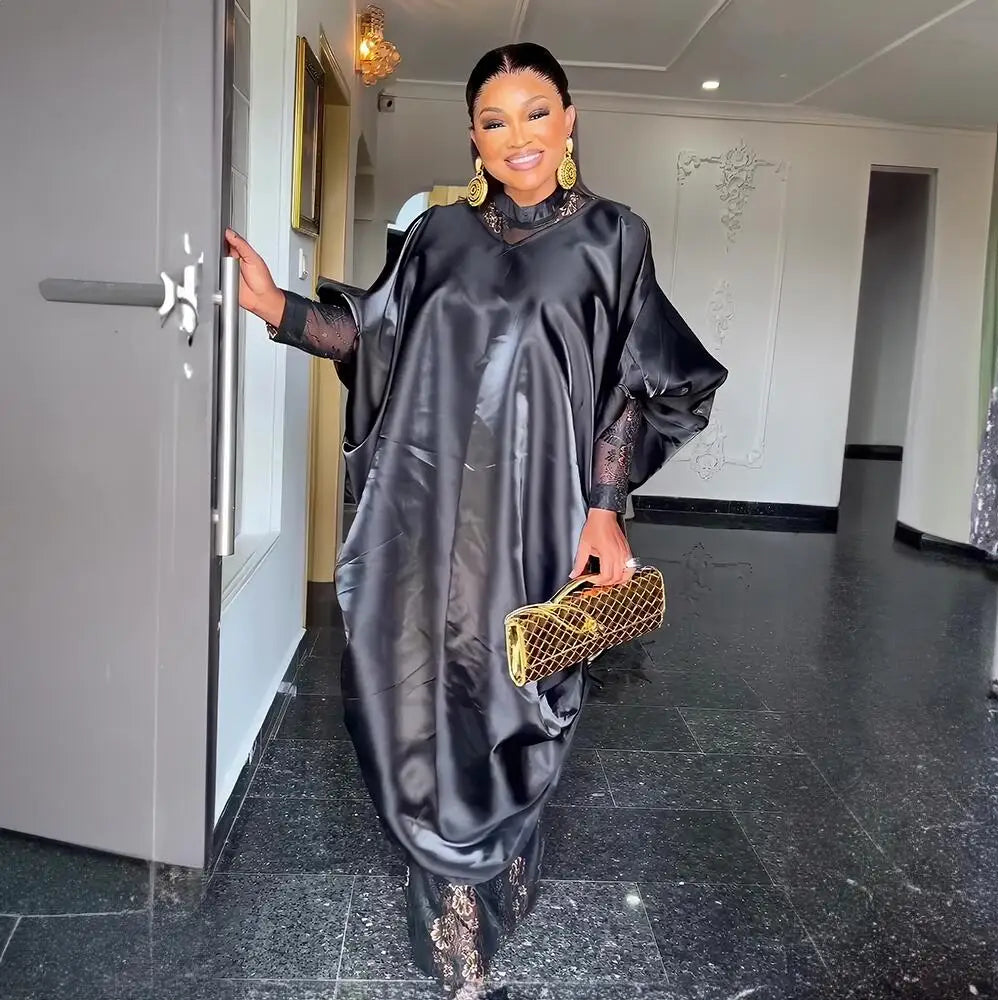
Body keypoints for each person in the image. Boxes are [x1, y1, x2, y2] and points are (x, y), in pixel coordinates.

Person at [226, 42, 727, 999]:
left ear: (569, 120)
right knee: (421, 692)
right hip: (424, 514)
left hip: (540, 518)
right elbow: (374, 338)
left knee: (513, 692)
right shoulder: (438, 235)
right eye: (495, 121)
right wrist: (276, 309)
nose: (518, 136)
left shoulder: (614, 237)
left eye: (536, 113)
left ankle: (495, 868)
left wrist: (605, 509)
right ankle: (456, 902)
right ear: (473, 136)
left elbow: (637, 383)